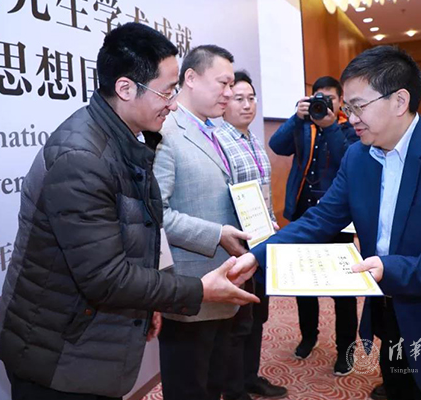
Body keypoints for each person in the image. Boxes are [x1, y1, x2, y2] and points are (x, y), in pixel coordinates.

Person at [0, 23, 258, 400]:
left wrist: (149, 301)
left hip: (86, 339)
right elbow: (104, 277)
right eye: (167, 91)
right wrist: (198, 290)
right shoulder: (81, 158)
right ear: (125, 88)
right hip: (56, 352)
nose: (173, 103)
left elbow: (142, 228)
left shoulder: (124, 138)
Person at [234, 45, 421, 400]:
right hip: (389, 318)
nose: (351, 118)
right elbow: (320, 219)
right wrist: (258, 255)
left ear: (399, 101)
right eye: (347, 108)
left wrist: (390, 269)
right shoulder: (358, 158)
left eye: (358, 106)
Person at [153, 45, 252, 400]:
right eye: (223, 83)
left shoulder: (216, 129)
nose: (229, 92)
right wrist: (217, 234)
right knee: (189, 389)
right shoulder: (166, 131)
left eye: (231, 84)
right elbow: (156, 214)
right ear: (191, 78)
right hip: (189, 292)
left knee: (214, 385)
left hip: (223, 287)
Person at [269, 75, 359, 375]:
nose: (323, 105)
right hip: (304, 216)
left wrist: (330, 126)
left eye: (329, 99)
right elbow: (277, 146)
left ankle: (346, 349)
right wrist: (296, 118)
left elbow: (349, 160)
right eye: (318, 98)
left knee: (343, 290)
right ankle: (309, 337)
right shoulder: (303, 125)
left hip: (338, 220)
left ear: (341, 101)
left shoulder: (350, 127)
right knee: (303, 284)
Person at [216, 71, 288, 400]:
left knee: (258, 314)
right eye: (238, 99)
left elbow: (263, 194)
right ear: (225, 102)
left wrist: (271, 226)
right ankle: (234, 390)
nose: (247, 105)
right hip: (236, 244)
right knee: (238, 321)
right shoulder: (219, 141)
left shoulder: (253, 140)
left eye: (251, 98)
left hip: (261, 241)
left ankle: (250, 377)